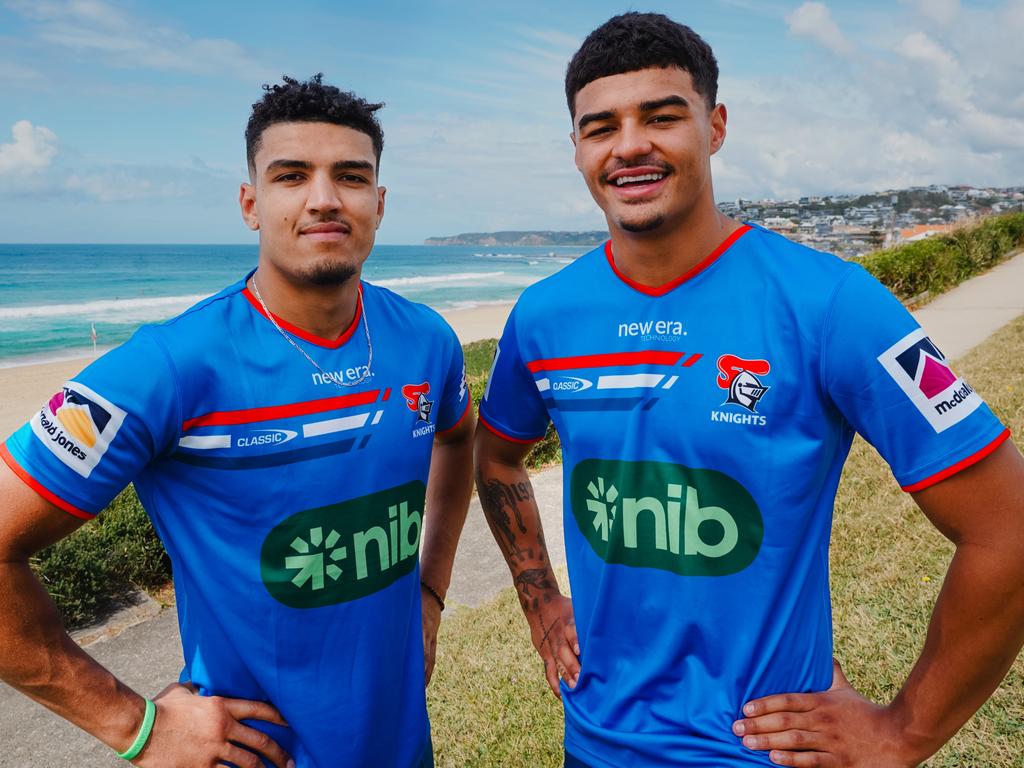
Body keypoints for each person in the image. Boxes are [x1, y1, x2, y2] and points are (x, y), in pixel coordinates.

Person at [475, 12, 1024, 768]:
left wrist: (906, 731)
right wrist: (539, 597)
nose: (629, 144)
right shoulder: (544, 316)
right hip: (595, 745)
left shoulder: (832, 304)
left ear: (716, 126)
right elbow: (497, 459)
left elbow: (1009, 529)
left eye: (662, 117)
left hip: (763, 750)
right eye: (600, 126)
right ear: (576, 147)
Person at [0, 74, 474, 768]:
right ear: (251, 203)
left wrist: (430, 591)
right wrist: (137, 726)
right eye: (291, 176)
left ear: (379, 202)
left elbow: (459, 441)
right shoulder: (168, 366)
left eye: (350, 176)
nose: (323, 198)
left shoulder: (427, 340)